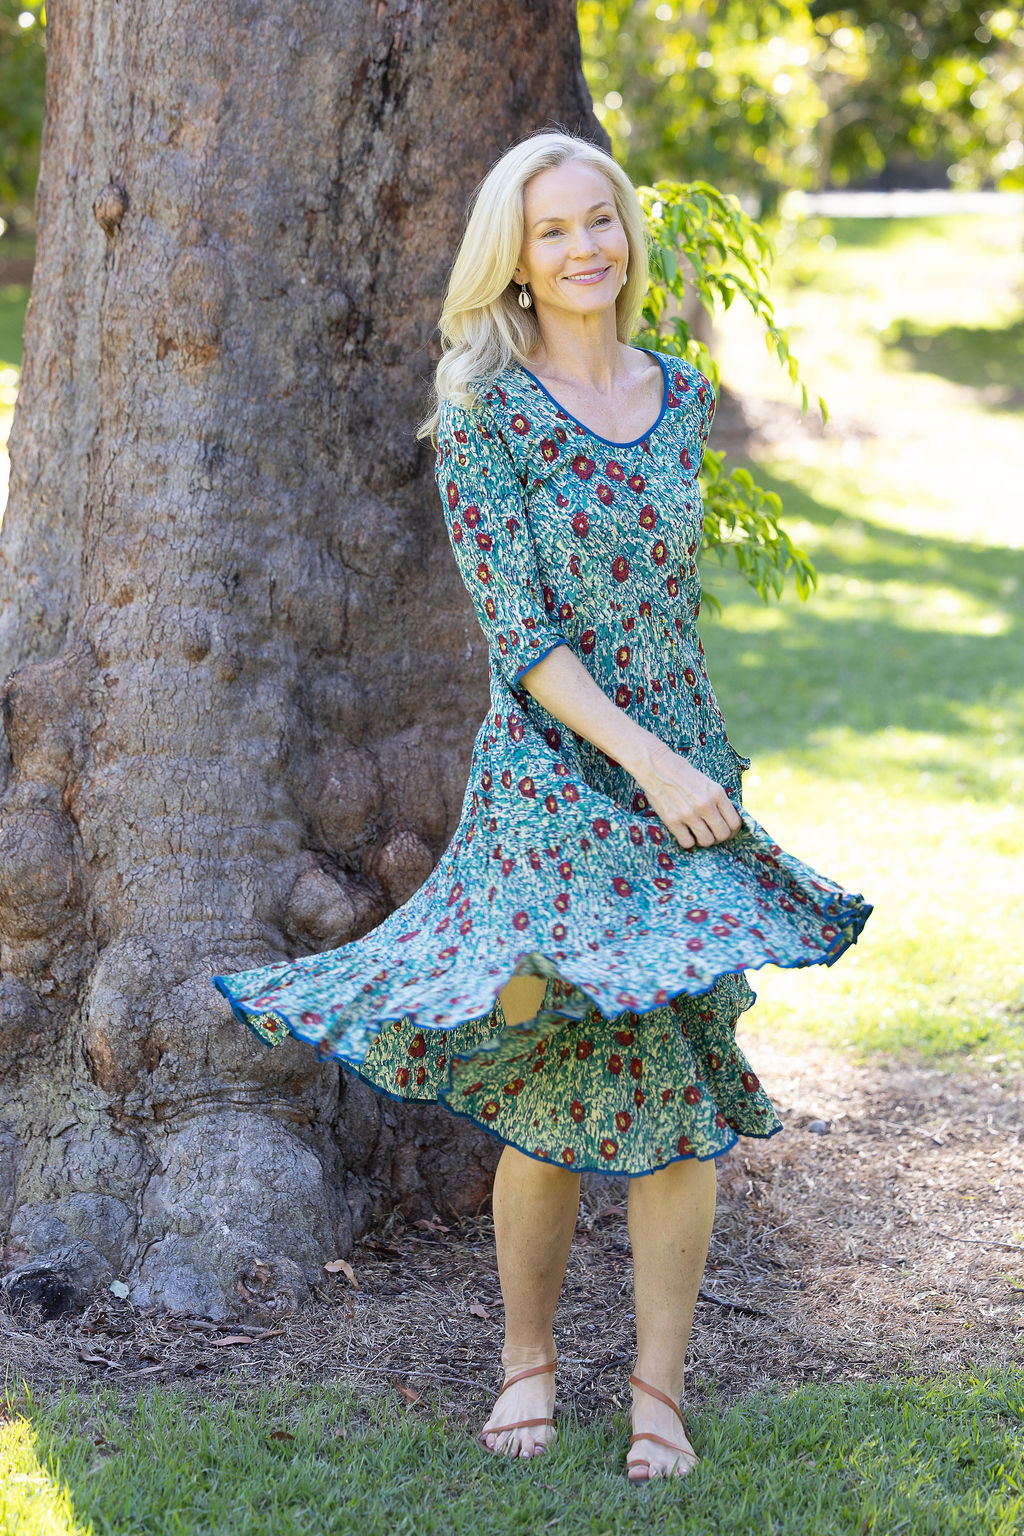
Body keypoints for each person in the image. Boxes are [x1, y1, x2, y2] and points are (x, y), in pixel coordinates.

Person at [212, 129, 871, 1482]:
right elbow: (522, 638)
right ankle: (527, 1362)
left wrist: (688, 767)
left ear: (627, 234)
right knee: (545, 1083)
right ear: (513, 261)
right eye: (553, 230)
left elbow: (662, 609)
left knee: (677, 1086)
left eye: (600, 221)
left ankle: (658, 1392)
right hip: (551, 794)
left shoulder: (680, 394)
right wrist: (651, 764)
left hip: (683, 783)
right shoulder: (484, 412)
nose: (584, 248)